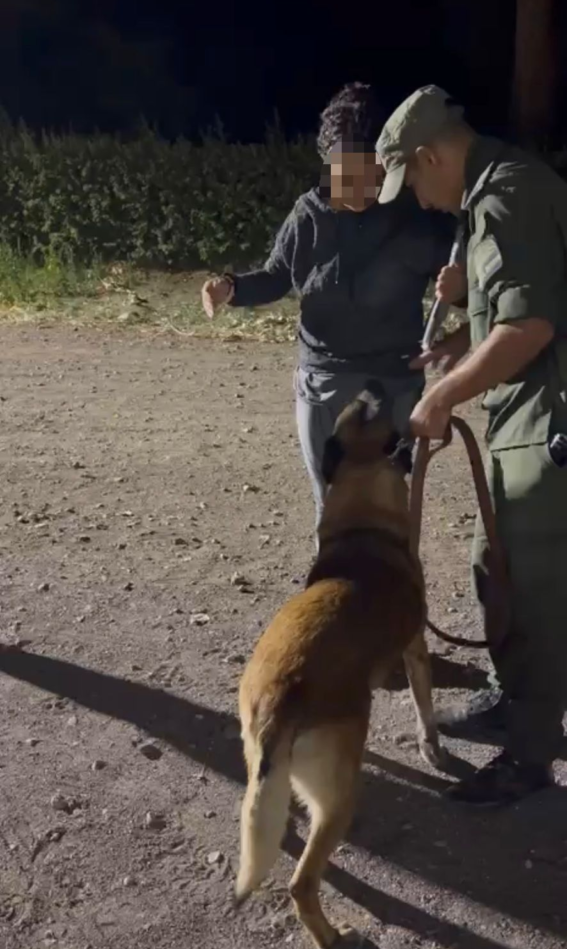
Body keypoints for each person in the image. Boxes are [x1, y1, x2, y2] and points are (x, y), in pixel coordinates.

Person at [377, 84, 567, 806]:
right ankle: (507, 694)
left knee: (537, 592)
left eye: (414, 182)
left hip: (549, 420)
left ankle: (530, 754)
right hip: (529, 412)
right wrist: (457, 334)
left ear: (429, 155)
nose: (421, 201)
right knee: (497, 563)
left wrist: (441, 397)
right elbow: (525, 305)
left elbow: (529, 330)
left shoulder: (504, 199)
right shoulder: (499, 190)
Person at [202, 83, 454, 529]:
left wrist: (456, 284)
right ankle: (336, 591)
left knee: (389, 508)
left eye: (367, 174)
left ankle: (389, 592)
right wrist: (230, 287)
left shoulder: (415, 212)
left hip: (393, 380)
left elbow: (456, 281)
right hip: (323, 380)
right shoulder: (310, 213)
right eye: (342, 175)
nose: (355, 188)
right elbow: (278, 275)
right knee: (332, 510)